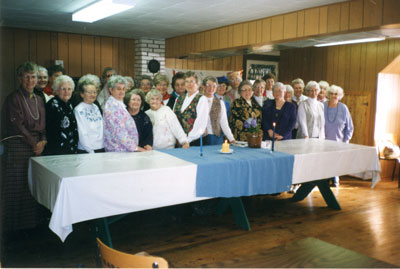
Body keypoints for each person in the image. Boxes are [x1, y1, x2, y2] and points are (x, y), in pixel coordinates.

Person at [2, 61, 47, 231]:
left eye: (33, 76)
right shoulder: (13, 98)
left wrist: (43, 140)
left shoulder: (39, 98)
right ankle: (12, 228)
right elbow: (17, 125)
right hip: (18, 146)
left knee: (31, 185)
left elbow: (44, 124)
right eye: (26, 77)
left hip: (36, 148)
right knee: (16, 186)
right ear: (20, 78)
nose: (30, 80)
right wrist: (35, 143)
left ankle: (29, 225)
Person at [103, 75, 146, 152]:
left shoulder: (118, 103)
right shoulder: (112, 107)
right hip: (118, 150)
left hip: (124, 148)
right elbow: (120, 132)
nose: (122, 91)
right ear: (111, 90)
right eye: (118, 89)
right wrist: (135, 148)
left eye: (123, 89)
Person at [324, 85, 354, 187]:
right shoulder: (322, 106)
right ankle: (325, 179)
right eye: (331, 94)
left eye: (336, 94)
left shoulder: (343, 108)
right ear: (328, 95)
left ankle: (335, 178)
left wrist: (346, 141)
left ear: (340, 96)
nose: (333, 96)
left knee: (336, 161)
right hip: (323, 141)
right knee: (325, 161)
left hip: (338, 141)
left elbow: (349, 127)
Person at [45, 75, 79, 155]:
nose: (66, 92)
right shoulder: (52, 105)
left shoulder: (70, 104)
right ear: (56, 90)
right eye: (63, 89)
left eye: (69, 89)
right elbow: (51, 131)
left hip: (70, 149)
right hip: (57, 150)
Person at [174, 71, 209, 146]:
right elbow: (174, 119)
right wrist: (180, 139)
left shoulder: (202, 99)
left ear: (197, 84)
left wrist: (188, 140)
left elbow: (200, 123)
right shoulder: (179, 98)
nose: (189, 84)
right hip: (180, 140)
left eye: (191, 81)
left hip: (195, 141)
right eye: (186, 82)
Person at [73, 75, 105, 154]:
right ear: (82, 94)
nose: (93, 95)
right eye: (89, 92)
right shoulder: (79, 109)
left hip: (100, 147)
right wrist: (90, 151)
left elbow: (101, 128)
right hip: (87, 150)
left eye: (94, 92)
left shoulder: (96, 107)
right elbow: (82, 132)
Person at [202, 76, 235, 145]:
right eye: (208, 85)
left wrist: (231, 139)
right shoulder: (198, 101)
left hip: (216, 138)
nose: (211, 88)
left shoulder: (220, 103)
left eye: (214, 86)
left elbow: (224, 123)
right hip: (201, 137)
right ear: (203, 87)